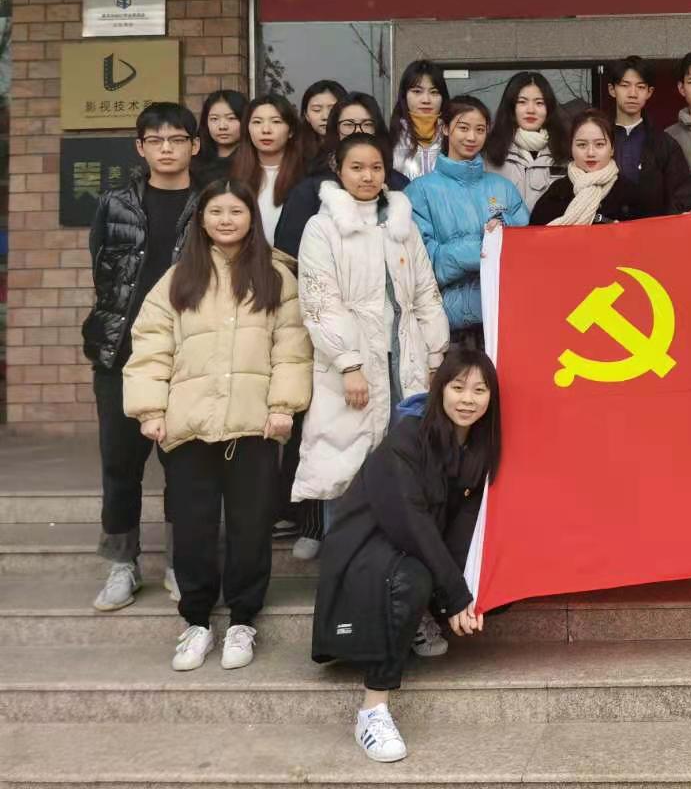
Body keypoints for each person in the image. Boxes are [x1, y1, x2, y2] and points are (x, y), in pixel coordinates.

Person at [124, 181, 312, 671]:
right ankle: (196, 622)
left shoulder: (276, 277)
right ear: (202, 219)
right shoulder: (178, 278)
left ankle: (243, 620)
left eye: (236, 211)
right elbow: (150, 347)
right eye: (216, 212)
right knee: (192, 527)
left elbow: (292, 348)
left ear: (251, 218)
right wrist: (150, 410)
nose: (226, 220)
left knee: (251, 526)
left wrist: (283, 406)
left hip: (254, 426)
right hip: (188, 426)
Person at [312, 346, 499, 763]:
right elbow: (409, 521)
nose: (467, 399)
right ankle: (372, 709)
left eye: (480, 390)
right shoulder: (408, 437)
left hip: (413, 546)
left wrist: (460, 595)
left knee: (449, 574)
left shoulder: (479, 448)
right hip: (369, 544)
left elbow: (462, 528)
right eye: (458, 387)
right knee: (412, 579)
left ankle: (418, 616)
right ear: (439, 389)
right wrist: (454, 595)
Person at [293, 134, 450, 517]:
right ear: (338, 170)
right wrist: (349, 364)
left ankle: (395, 553)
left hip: (405, 358)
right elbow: (320, 303)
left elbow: (425, 293)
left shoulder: (402, 224)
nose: (367, 176)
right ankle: (343, 551)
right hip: (353, 360)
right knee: (345, 462)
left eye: (376, 167)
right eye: (357, 168)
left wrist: (435, 356)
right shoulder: (322, 227)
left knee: (405, 463)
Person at [83, 103, 200, 612]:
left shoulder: (210, 201)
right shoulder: (115, 204)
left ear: (195, 145)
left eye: (177, 139)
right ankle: (121, 565)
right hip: (121, 353)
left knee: (185, 464)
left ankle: (180, 562)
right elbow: (103, 272)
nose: (166, 149)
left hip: (188, 354)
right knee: (120, 462)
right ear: (140, 147)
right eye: (156, 140)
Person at [405, 95, 529, 342]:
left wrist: (505, 229)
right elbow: (424, 265)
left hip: (504, 320)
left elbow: (528, 249)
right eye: (463, 128)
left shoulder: (503, 187)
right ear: (445, 128)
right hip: (447, 328)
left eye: (480, 130)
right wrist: (485, 246)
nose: (472, 137)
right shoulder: (420, 191)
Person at [273, 92, 409, 261]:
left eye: (367, 124)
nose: (357, 131)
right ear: (335, 130)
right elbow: (287, 257)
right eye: (348, 124)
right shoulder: (309, 188)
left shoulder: (399, 185)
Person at [531, 110, 657, 224]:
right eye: (582, 145)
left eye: (599, 144)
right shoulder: (556, 193)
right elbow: (535, 235)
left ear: (612, 149)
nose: (590, 153)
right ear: (571, 148)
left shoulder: (631, 195)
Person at [605, 55, 688, 215]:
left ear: (649, 92)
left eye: (641, 87)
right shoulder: (597, 140)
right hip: (604, 227)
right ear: (612, 90)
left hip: (651, 227)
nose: (633, 94)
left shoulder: (665, 144)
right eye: (625, 85)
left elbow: (678, 198)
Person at [230, 94, 306, 246]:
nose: (266, 130)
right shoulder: (229, 175)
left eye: (276, 121)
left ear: (291, 131)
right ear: (247, 129)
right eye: (257, 122)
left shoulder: (307, 178)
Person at [483, 71, 564, 210]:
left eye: (539, 103)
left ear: (549, 108)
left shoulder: (566, 153)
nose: (531, 110)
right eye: (522, 102)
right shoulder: (488, 154)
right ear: (511, 107)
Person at [390, 60, 449, 180]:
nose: (426, 100)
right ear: (404, 96)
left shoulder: (455, 139)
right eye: (417, 91)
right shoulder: (390, 141)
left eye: (434, 92)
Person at [195, 88, 247, 185]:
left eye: (231, 118)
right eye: (214, 119)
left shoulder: (254, 161)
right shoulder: (193, 161)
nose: (222, 126)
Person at [299, 79, 346, 159]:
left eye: (332, 109)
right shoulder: (296, 153)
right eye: (316, 110)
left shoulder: (358, 148)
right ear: (306, 116)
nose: (325, 116)